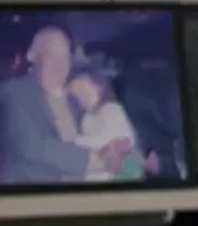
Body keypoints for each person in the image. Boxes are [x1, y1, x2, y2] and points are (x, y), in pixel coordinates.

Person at [0, 26, 103, 184]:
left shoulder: (75, 99)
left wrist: (98, 104)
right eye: (51, 56)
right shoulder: (13, 92)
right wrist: (90, 158)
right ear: (33, 57)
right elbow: (32, 147)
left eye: (64, 57)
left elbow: (104, 133)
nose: (59, 65)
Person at [66, 66, 150, 181]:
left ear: (98, 86)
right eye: (77, 94)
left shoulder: (112, 109)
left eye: (84, 89)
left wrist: (75, 141)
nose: (82, 96)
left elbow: (106, 141)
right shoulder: (86, 119)